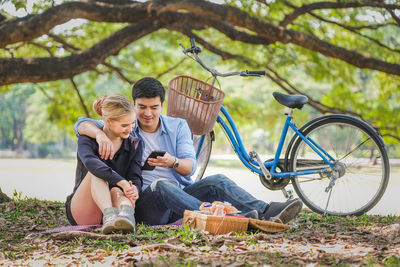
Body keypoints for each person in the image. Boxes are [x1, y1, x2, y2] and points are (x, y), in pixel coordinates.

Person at [74, 77, 303, 226]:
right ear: (134, 105)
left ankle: (266, 211)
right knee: (163, 185)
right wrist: (100, 134)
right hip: (147, 202)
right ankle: (224, 220)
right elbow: (83, 123)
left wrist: (172, 162)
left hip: (182, 196)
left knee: (218, 180)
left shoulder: (178, 126)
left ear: (161, 105)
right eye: (142, 107)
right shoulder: (126, 128)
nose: (147, 114)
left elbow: (190, 168)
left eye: (153, 107)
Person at [66, 94, 143, 234]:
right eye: (124, 125)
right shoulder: (87, 139)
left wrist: (135, 189)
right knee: (96, 172)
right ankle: (109, 216)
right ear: (108, 121)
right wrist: (122, 182)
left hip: (116, 201)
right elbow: (90, 162)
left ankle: (126, 217)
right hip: (85, 209)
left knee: (117, 190)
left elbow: (135, 174)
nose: (130, 129)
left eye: (133, 123)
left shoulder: (135, 144)